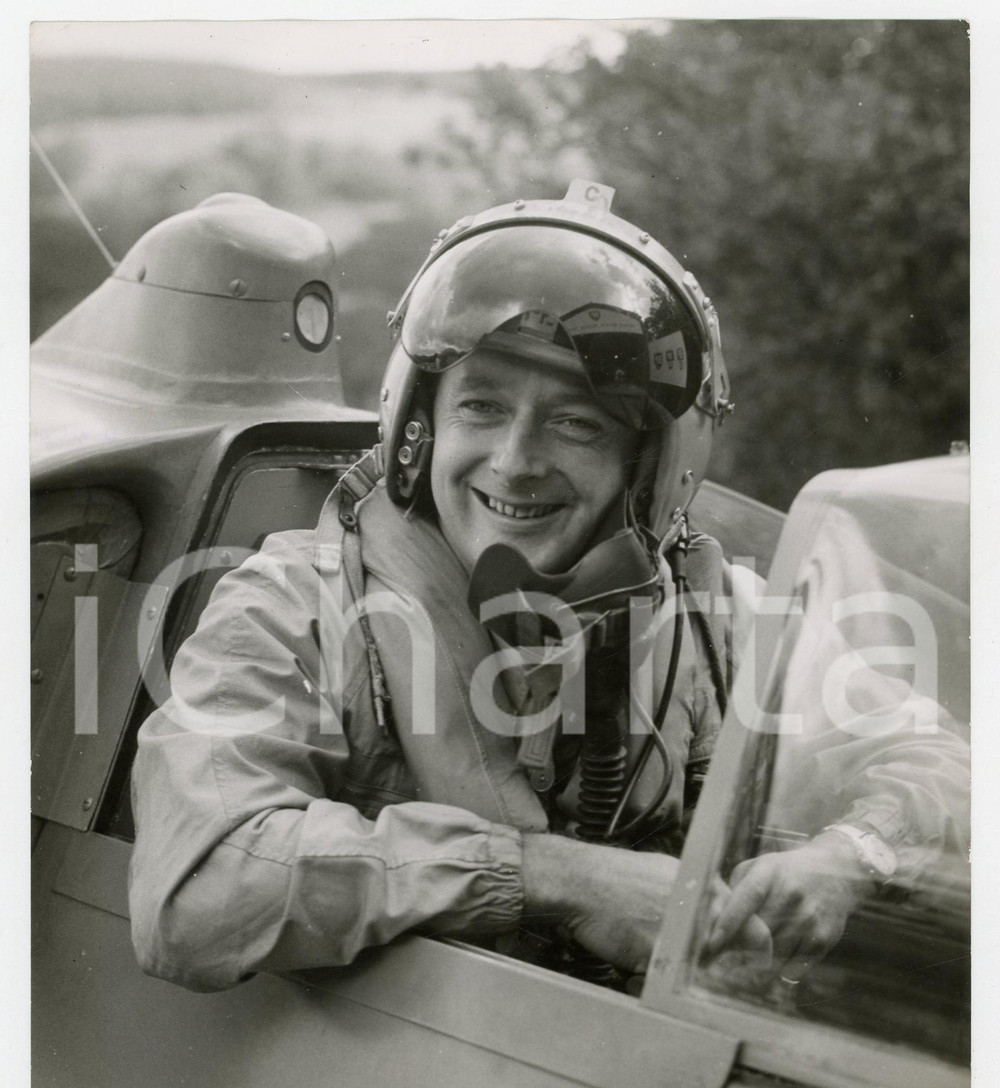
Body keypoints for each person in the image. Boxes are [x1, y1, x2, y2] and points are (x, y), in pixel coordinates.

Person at [129, 180, 968, 993]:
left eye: (575, 423)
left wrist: (851, 856)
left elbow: (948, 763)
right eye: (482, 408)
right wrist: (556, 877)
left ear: (646, 471)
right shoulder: (297, 608)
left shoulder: (715, 623)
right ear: (418, 427)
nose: (516, 461)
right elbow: (195, 891)